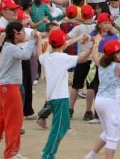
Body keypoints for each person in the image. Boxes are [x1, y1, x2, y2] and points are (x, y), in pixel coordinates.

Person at [0, 21, 40, 158]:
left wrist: (34, 37)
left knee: (2, 120)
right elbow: (26, 55)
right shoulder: (10, 47)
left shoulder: (8, 45)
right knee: (14, 121)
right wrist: (33, 39)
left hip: (4, 86)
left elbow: (23, 45)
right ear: (16, 33)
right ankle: (11, 153)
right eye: (22, 32)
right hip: (9, 87)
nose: (24, 34)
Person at [38, 29, 91, 159]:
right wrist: (93, 47)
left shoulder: (46, 57)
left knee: (63, 125)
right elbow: (82, 58)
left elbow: (39, 53)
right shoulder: (63, 58)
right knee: (59, 128)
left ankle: (48, 151)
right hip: (60, 98)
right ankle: (48, 154)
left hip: (53, 97)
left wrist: (38, 39)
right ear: (63, 45)